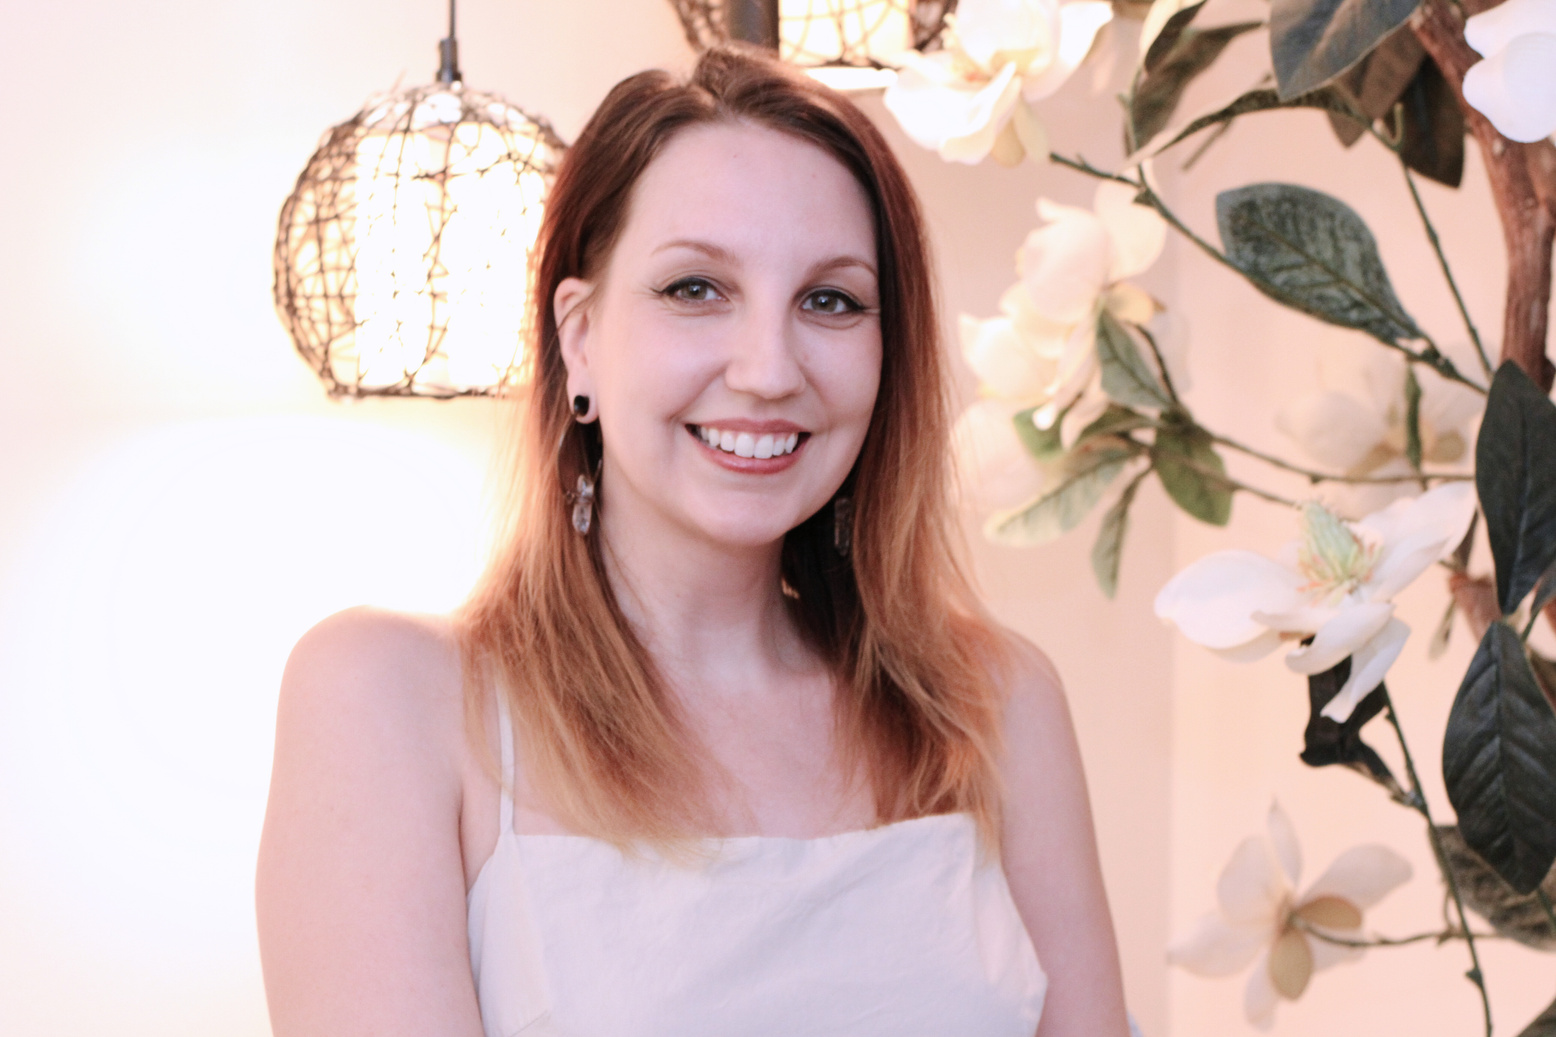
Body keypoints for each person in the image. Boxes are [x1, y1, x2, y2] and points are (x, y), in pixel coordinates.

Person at [256, 45, 1130, 1037]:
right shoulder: (388, 693)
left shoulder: (995, 701)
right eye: (695, 288)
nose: (768, 369)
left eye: (830, 300)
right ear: (579, 337)